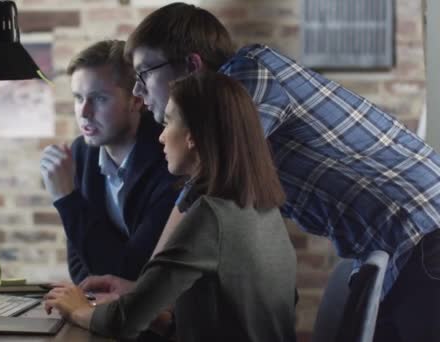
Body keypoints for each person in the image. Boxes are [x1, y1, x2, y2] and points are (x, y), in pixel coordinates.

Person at [114, 3, 440, 341]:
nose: (138, 91)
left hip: (423, 230)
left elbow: (202, 187)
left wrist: (142, 294)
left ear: (192, 66)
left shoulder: (250, 73)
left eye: (144, 73)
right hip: (400, 245)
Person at [44, 71, 297, 341]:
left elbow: (123, 323)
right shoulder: (263, 208)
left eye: (167, 123)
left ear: (192, 137)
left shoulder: (209, 215)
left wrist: (77, 309)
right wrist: (135, 297)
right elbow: (224, 321)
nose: (162, 137)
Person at [39, 40, 179, 284]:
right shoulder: (82, 152)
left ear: (136, 99)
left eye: (99, 99)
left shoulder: (168, 158)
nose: (84, 112)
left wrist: (66, 199)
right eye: (78, 98)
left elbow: (134, 272)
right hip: (111, 310)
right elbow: (80, 264)